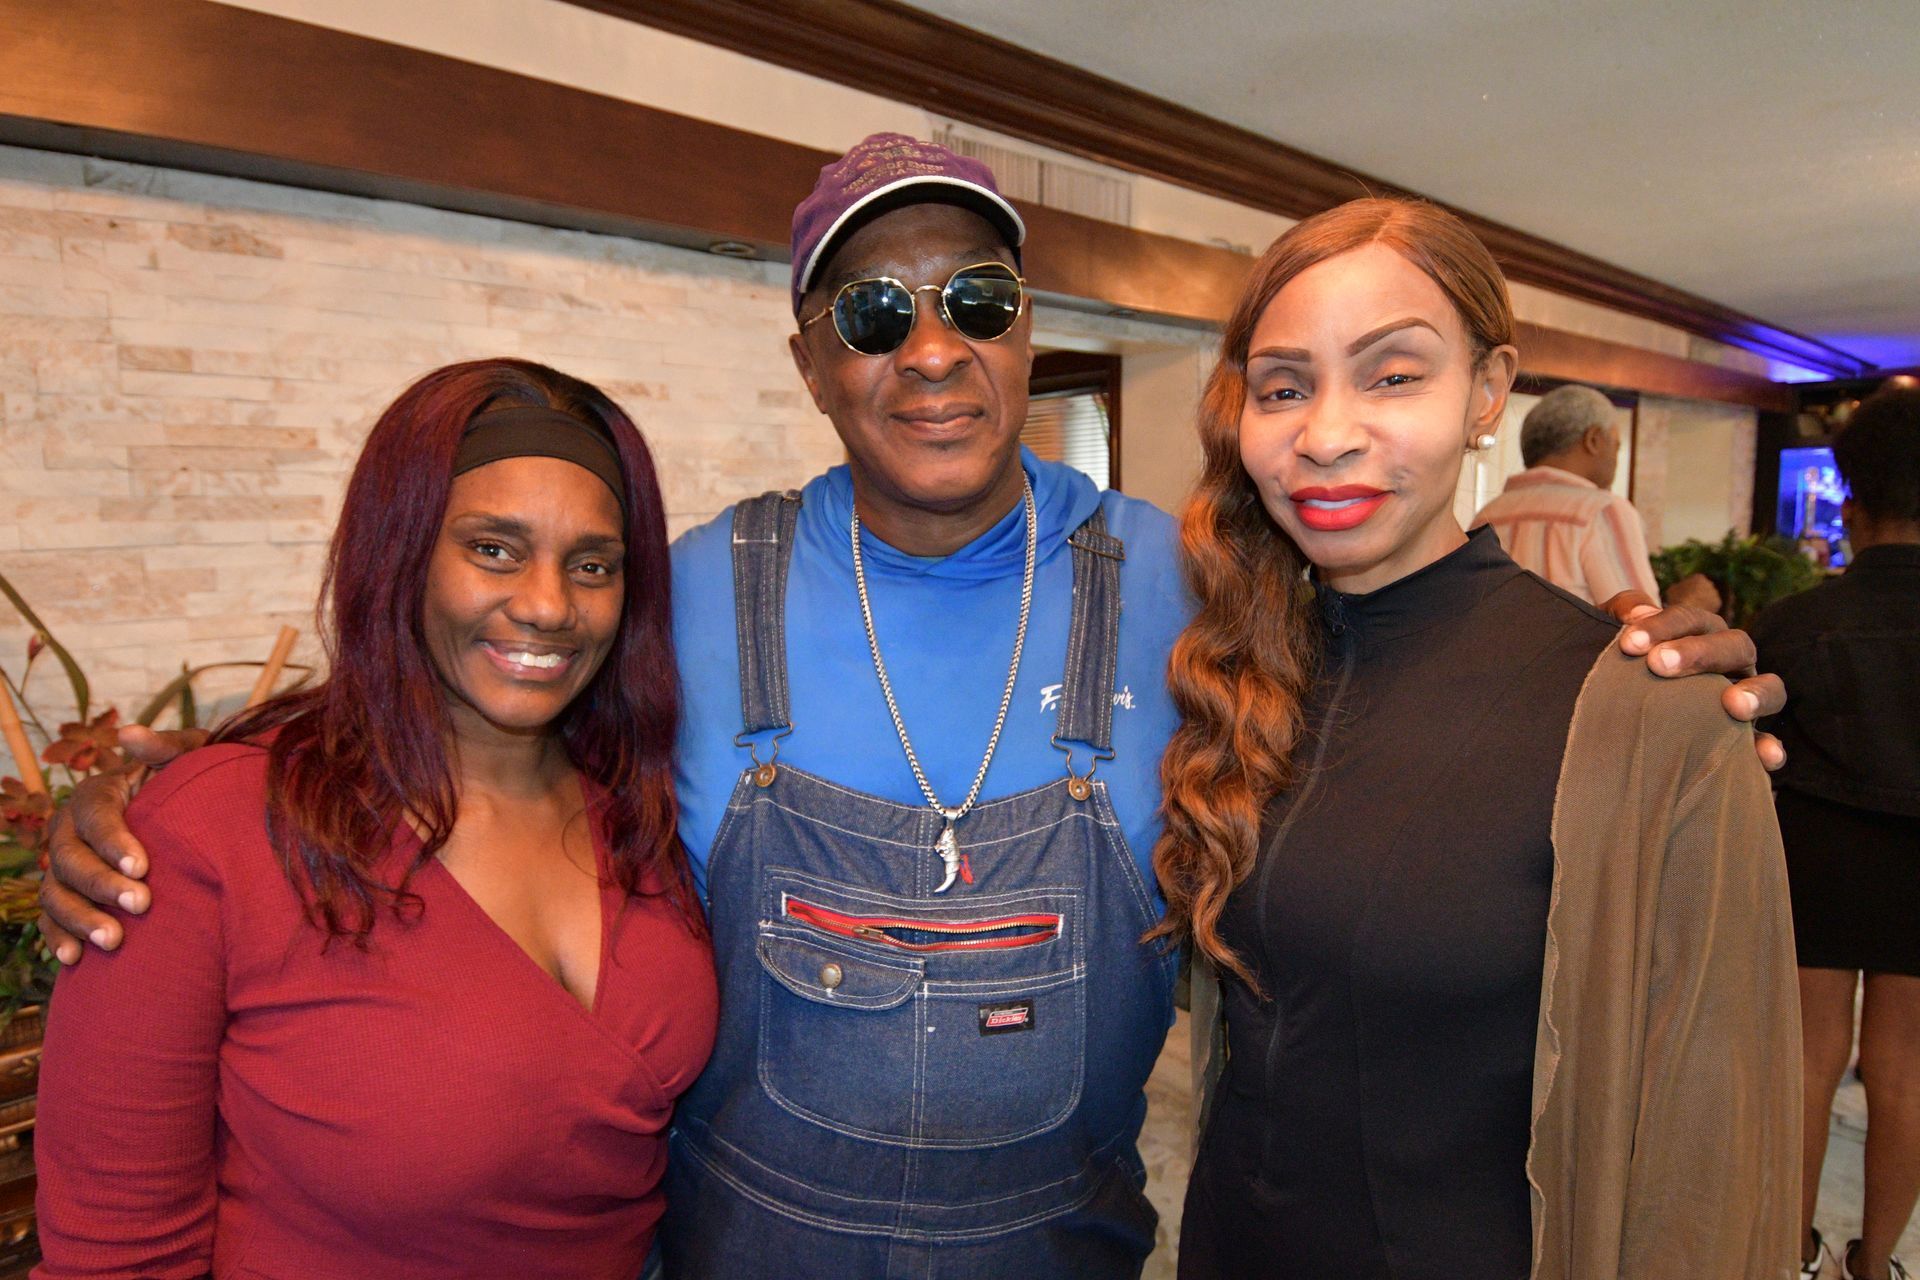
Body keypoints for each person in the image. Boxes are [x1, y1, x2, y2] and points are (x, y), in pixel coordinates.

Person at [37, 138, 1786, 1279]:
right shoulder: (680, 592)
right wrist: (163, 795)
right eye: (874, 312)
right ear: (810, 358)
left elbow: (1416, 655)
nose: (930, 347)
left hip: (1064, 1247)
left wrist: (1638, 661)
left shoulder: (1200, 585)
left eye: (978, 302)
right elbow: (473, 688)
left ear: (1026, 333)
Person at [1155, 199, 1800, 1279]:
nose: (1325, 434)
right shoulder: (1239, 671)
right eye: (1284, 387)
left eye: (1393, 375)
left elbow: (1709, 1166)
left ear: (1488, 392)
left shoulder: (1641, 713)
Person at [31, 359, 717, 1279]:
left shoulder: (645, 808)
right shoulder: (212, 833)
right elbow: (116, 1253)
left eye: (592, 565)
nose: (549, 605)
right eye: (494, 549)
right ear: (400, 551)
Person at [1751, 388, 1920, 1280]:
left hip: (1816, 858)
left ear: (1850, 505)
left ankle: (1789, 1252)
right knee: (1905, 1069)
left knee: (1808, 1060)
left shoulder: (1793, 623)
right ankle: (1875, 1263)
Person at [1474, 383, 1677, 606]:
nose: (1615, 460)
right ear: (1593, 440)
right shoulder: (1602, 511)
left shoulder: (1485, 517)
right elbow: (1642, 619)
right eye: (1616, 446)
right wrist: (1688, 602)